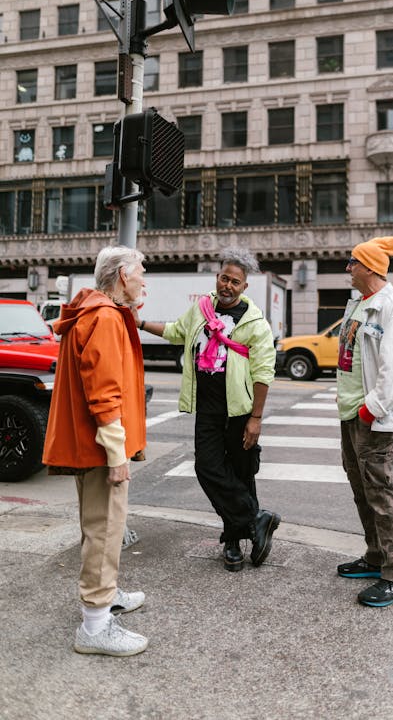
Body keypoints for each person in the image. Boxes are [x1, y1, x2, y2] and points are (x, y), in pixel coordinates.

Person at [136, 248, 280, 572]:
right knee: (207, 469)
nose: (228, 285)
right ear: (217, 277)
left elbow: (264, 373)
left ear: (245, 286)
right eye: (224, 278)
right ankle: (257, 520)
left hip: (240, 411)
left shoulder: (255, 323)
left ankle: (235, 540)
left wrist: (255, 419)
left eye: (236, 281)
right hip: (208, 409)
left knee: (241, 475)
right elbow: (176, 331)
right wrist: (141, 322)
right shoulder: (201, 310)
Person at [43, 246, 149, 656]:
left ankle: (106, 597)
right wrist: (117, 454)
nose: (144, 279)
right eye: (141, 272)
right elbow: (104, 394)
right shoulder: (104, 317)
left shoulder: (93, 312)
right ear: (123, 275)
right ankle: (95, 624)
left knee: (100, 528)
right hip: (99, 449)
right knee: (105, 530)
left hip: (91, 446)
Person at [336, 236, 393, 607]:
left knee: (383, 494)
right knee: (363, 490)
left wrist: (371, 408)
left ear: (369, 267)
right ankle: (375, 557)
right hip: (351, 413)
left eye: (353, 263)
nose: (348, 269)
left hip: (372, 417)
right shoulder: (360, 303)